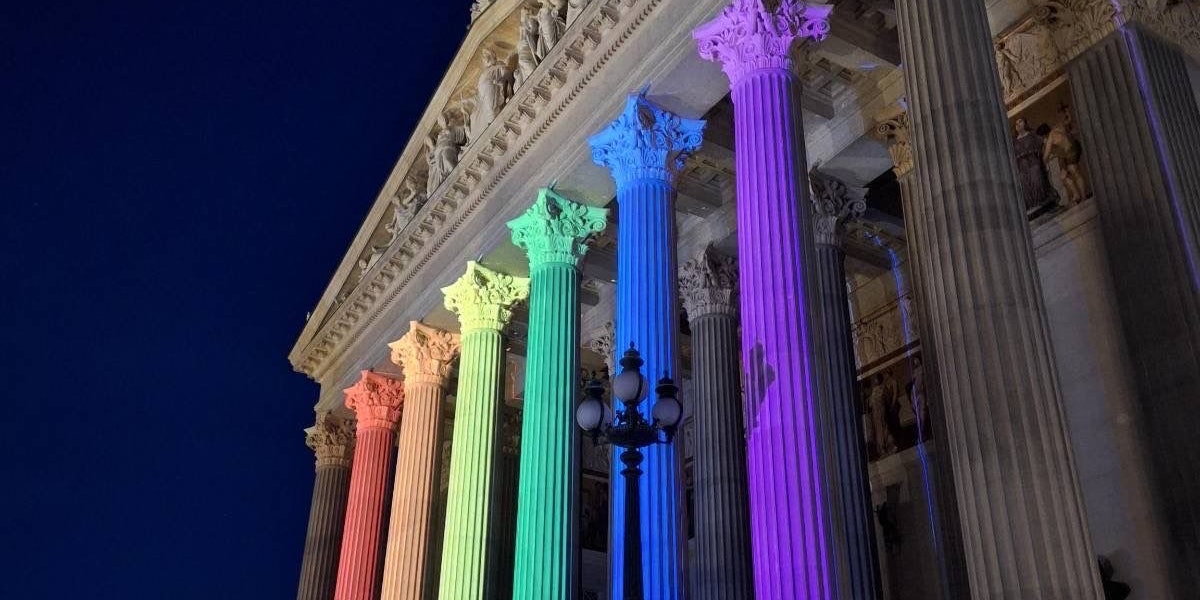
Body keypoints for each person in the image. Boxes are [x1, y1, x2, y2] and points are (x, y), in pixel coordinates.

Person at [1044, 104, 1088, 205]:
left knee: (1075, 172)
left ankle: (1084, 197)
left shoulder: (1052, 135)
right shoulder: (1059, 127)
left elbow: (1046, 155)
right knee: (1064, 177)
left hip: (1070, 152)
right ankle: (1077, 195)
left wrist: (1044, 162)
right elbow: (1069, 120)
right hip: (1066, 154)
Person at [1013, 117, 1057, 214]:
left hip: (1034, 164)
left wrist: (1046, 156)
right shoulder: (1013, 141)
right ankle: (1033, 209)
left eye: (1020, 121)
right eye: (1016, 123)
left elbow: (1045, 142)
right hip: (1021, 168)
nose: (1018, 124)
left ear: (1025, 123)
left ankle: (1043, 205)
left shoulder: (1032, 135)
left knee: (1037, 180)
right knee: (1025, 186)